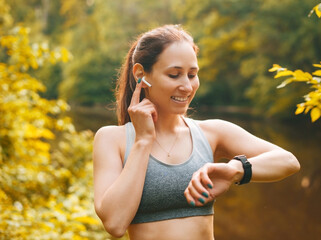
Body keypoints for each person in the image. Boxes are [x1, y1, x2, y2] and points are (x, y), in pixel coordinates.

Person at [92, 24, 300, 240]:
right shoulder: (112, 139)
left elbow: (288, 161)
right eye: (174, 75)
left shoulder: (211, 133)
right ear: (141, 75)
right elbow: (115, 224)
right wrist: (143, 141)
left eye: (192, 75)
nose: (187, 87)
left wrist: (236, 169)